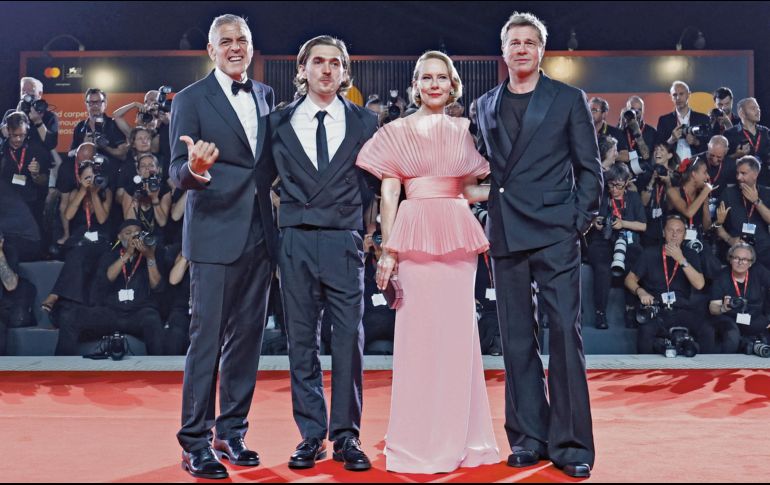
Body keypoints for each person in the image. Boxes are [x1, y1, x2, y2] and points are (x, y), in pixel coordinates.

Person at [357, 50, 499, 473]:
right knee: (417, 340)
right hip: (414, 234)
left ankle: (464, 437)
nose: (434, 84)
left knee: (459, 339)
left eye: (442, 77)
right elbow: (389, 194)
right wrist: (388, 249)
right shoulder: (395, 131)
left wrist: (514, 194)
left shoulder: (465, 131)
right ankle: (416, 437)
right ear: (415, 84)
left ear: (453, 84)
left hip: (456, 234)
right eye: (426, 77)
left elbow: (472, 191)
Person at [474, 11, 602, 479]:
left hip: (555, 232)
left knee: (565, 337)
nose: (522, 48)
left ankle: (571, 445)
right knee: (515, 341)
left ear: (541, 50)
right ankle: (528, 437)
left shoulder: (568, 99)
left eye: (530, 41)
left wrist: (577, 221)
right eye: (514, 42)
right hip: (506, 233)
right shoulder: (484, 105)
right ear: (503, 50)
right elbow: (479, 168)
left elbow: (590, 169)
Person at [169, 14, 276, 480]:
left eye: (242, 40)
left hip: (260, 234)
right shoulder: (190, 99)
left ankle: (231, 432)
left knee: (247, 340)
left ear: (251, 46)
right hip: (214, 233)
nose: (235, 47)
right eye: (225, 41)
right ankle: (195, 441)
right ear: (211, 50)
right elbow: (177, 172)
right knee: (206, 340)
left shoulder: (265, 95)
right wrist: (196, 168)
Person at [266, 35, 377, 472]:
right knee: (301, 340)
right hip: (294, 240)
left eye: (336, 63)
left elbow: (377, 184)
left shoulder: (366, 122)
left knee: (349, 338)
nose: (327, 70)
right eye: (318, 62)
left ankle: (347, 436)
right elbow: (260, 181)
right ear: (303, 69)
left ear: (345, 72)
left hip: (344, 240)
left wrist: (369, 232)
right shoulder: (277, 121)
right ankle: (312, 434)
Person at [625, 215, 706, 353]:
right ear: (663, 232)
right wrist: (640, 291)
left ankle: (707, 371)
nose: (674, 235)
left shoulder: (691, 254)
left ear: (685, 235)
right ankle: (645, 371)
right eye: (670, 230)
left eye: (679, 231)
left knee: (707, 331)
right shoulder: (650, 253)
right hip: (657, 309)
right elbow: (629, 280)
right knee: (645, 332)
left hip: (682, 309)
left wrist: (681, 259)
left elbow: (699, 284)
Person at [586, 163, 646, 329]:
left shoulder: (633, 198)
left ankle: (630, 310)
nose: (614, 189)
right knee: (603, 268)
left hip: (628, 242)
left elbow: (643, 225)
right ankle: (600, 313)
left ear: (627, 183)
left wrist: (623, 223)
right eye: (611, 184)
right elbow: (588, 220)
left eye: (619, 185)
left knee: (633, 266)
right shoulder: (601, 197)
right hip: (602, 242)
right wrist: (594, 224)